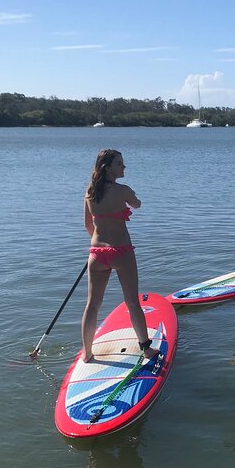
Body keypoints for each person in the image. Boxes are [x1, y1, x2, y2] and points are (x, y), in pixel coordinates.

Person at [80, 149, 158, 363]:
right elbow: (138, 204)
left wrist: (98, 243)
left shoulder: (90, 192)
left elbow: (88, 224)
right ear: (107, 167)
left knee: (92, 305)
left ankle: (87, 352)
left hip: (96, 253)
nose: (124, 167)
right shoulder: (123, 190)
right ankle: (146, 348)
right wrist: (130, 196)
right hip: (121, 251)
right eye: (119, 164)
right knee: (132, 302)